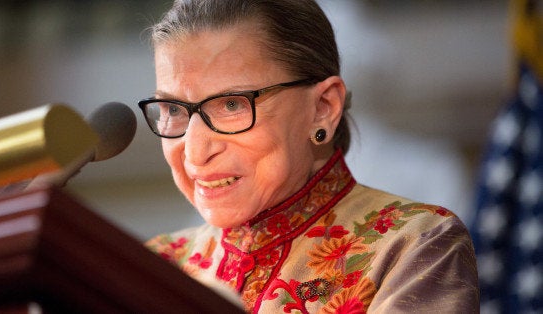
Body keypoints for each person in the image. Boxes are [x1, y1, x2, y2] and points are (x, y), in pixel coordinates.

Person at [139, 0, 479, 312]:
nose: (196, 150)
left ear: (323, 108)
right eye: (172, 108)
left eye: (232, 104)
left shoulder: (413, 246)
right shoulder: (155, 264)